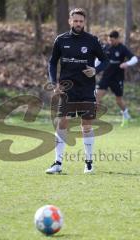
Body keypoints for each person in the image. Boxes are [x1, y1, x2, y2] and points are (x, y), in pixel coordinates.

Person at [46, 8, 108, 174]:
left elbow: (105, 60)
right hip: (67, 89)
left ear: (84, 22)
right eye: (75, 21)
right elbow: (52, 63)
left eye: (81, 21)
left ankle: (88, 163)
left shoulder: (92, 41)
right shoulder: (61, 40)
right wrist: (54, 83)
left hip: (86, 89)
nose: (78, 24)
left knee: (86, 126)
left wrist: (96, 70)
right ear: (70, 21)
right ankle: (57, 163)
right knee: (62, 123)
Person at [96, 30, 138, 127]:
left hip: (117, 78)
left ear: (118, 39)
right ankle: (94, 119)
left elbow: (135, 59)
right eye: (109, 40)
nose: (111, 42)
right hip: (106, 77)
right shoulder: (106, 47)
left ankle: (126, 115)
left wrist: (126, 63)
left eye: (113, 40)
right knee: (96, 97)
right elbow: (98, 59)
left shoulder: (122, 48)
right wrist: (95, 69)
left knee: (118, 100)